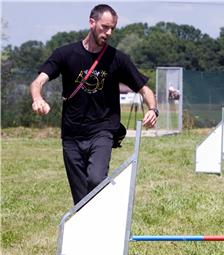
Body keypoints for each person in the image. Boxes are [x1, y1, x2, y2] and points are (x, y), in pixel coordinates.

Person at [30, 4, 158, 205]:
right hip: (71, 135)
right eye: (104, 27)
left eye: (112, 29)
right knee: (81, 200)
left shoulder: (118, 59)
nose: (108, 33)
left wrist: (153, 109)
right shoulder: (65, 54)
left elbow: (144, 89)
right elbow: (38, 82)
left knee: (96, 179)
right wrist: (37, 98)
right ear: (92, 22)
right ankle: (89, 230)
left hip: (102, 131)